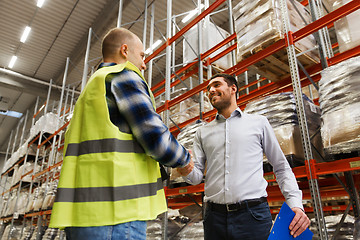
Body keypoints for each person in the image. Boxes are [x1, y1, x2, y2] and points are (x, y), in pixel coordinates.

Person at [49, 27, 194, 240]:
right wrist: (184, 159)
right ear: (125, 51)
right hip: (116, 215)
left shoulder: (92, 89)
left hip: (84, 215)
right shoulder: (122, 76)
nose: (144, 64)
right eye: (142, 56)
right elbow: (154, 137)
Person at [179, 73, 310, 240]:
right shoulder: (202, 132)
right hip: (214, 218)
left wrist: (295, 204)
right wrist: (184, 167)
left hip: (252, 216)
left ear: (233, 88)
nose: (211, 90)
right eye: (208, 89)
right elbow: (196, 177)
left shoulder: (258, 123)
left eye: (217, 85)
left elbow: (280, 166)